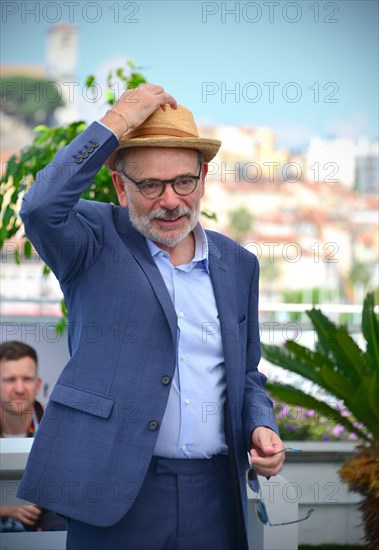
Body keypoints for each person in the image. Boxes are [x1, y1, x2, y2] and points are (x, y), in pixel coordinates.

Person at [18, 83, 285, 550]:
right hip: (112, 492)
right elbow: (40, 206)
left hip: (213, 497)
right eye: (150, 185)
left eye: (184, 181)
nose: (170, 201)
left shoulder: (239, 263)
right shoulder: (92, 239)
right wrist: (118, 120)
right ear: (121, 186)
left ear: (202, 180)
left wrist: (262, 424)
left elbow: (247, 373)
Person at [0, 341, 65, 532]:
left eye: (27, 379)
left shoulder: (58, 430)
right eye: (10, 379)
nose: (20, 389)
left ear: (37, 384)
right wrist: (5, 509)